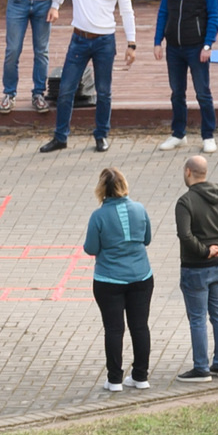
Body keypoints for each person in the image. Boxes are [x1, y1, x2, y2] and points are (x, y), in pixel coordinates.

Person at [40, 0, 137, 154]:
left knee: (104, 91)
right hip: (80, 39)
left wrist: (132, 43)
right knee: (65, 89)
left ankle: (101, 135)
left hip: (105, 41)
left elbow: (127, 12)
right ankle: (60, 136)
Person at [82, 168, 155, 392]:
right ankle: (140, 376)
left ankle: (114, 379)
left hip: (109, 280)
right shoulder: (139, 209)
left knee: (114, 329)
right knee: (140, 327)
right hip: (141, 276)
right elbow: (147, 239)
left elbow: (91, 248)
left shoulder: (98, 216)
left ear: (102, 189)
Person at [154, 0, 218, 154]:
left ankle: (208, 135)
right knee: (177, 92)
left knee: (203, 92)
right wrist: (158, 41)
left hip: (197, 47)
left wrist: (208, 45)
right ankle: (178, 134)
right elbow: (163, 11)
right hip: (174, 47)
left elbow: (214, 16)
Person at [173, 154, 218, 380]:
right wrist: (215, 245)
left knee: (197, 318)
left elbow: (185, 235)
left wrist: (204, 250)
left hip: (195, 267)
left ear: (188, 172)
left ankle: (201, 367)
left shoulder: (185, 202)